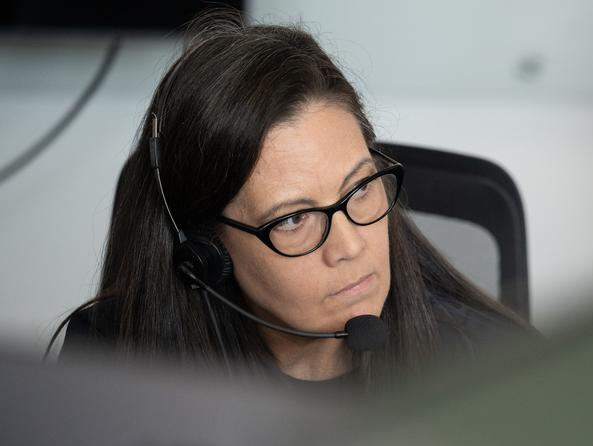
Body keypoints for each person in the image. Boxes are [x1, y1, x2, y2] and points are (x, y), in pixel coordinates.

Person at [56, 12, 524, 386]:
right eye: (294, 219)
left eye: (360, 189)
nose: (350, 247)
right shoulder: (113, 362)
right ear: (203, 253)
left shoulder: (493, 369)